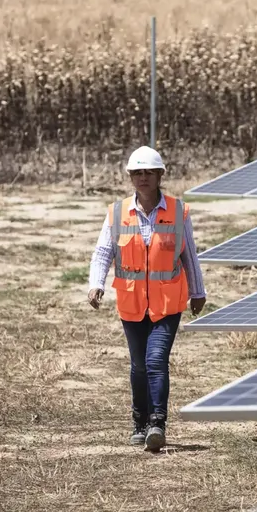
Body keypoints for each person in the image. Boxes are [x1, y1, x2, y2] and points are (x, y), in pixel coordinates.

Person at [87, 145, 206, 451]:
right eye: (137, 173)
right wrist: (95, 284)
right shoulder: (117, 213)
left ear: (159, 175)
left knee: (156, 360)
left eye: (148, 173)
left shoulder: (179, 211)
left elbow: (189, 254)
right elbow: (103, 252)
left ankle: (157, 423)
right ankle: (139, 421)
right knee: (139, 365)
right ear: (130, 177)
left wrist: (198, 291)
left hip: (168, 303)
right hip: (132, 303)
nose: (142, 178)